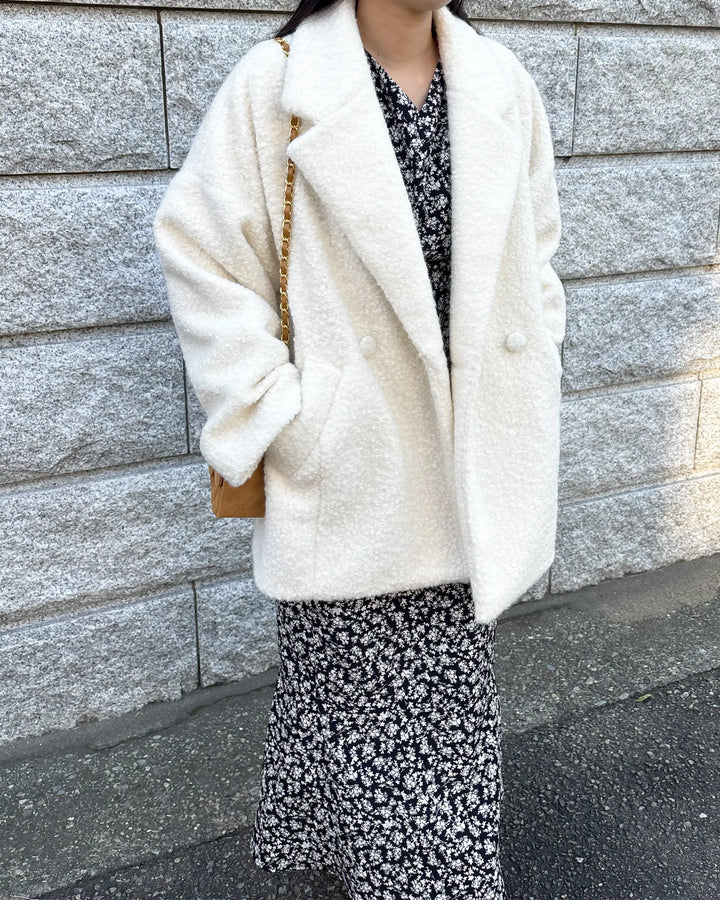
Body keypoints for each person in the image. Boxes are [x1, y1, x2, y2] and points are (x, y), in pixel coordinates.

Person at [152, 0, 565, 896]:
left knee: (394, 694)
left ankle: (330, 844)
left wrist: (537, 352)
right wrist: (282, 413)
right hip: (352, 465)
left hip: (467, 457)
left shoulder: (500, 81)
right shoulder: (279, 83)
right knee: (386, 716)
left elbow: (535, 252)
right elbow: (202, 251)